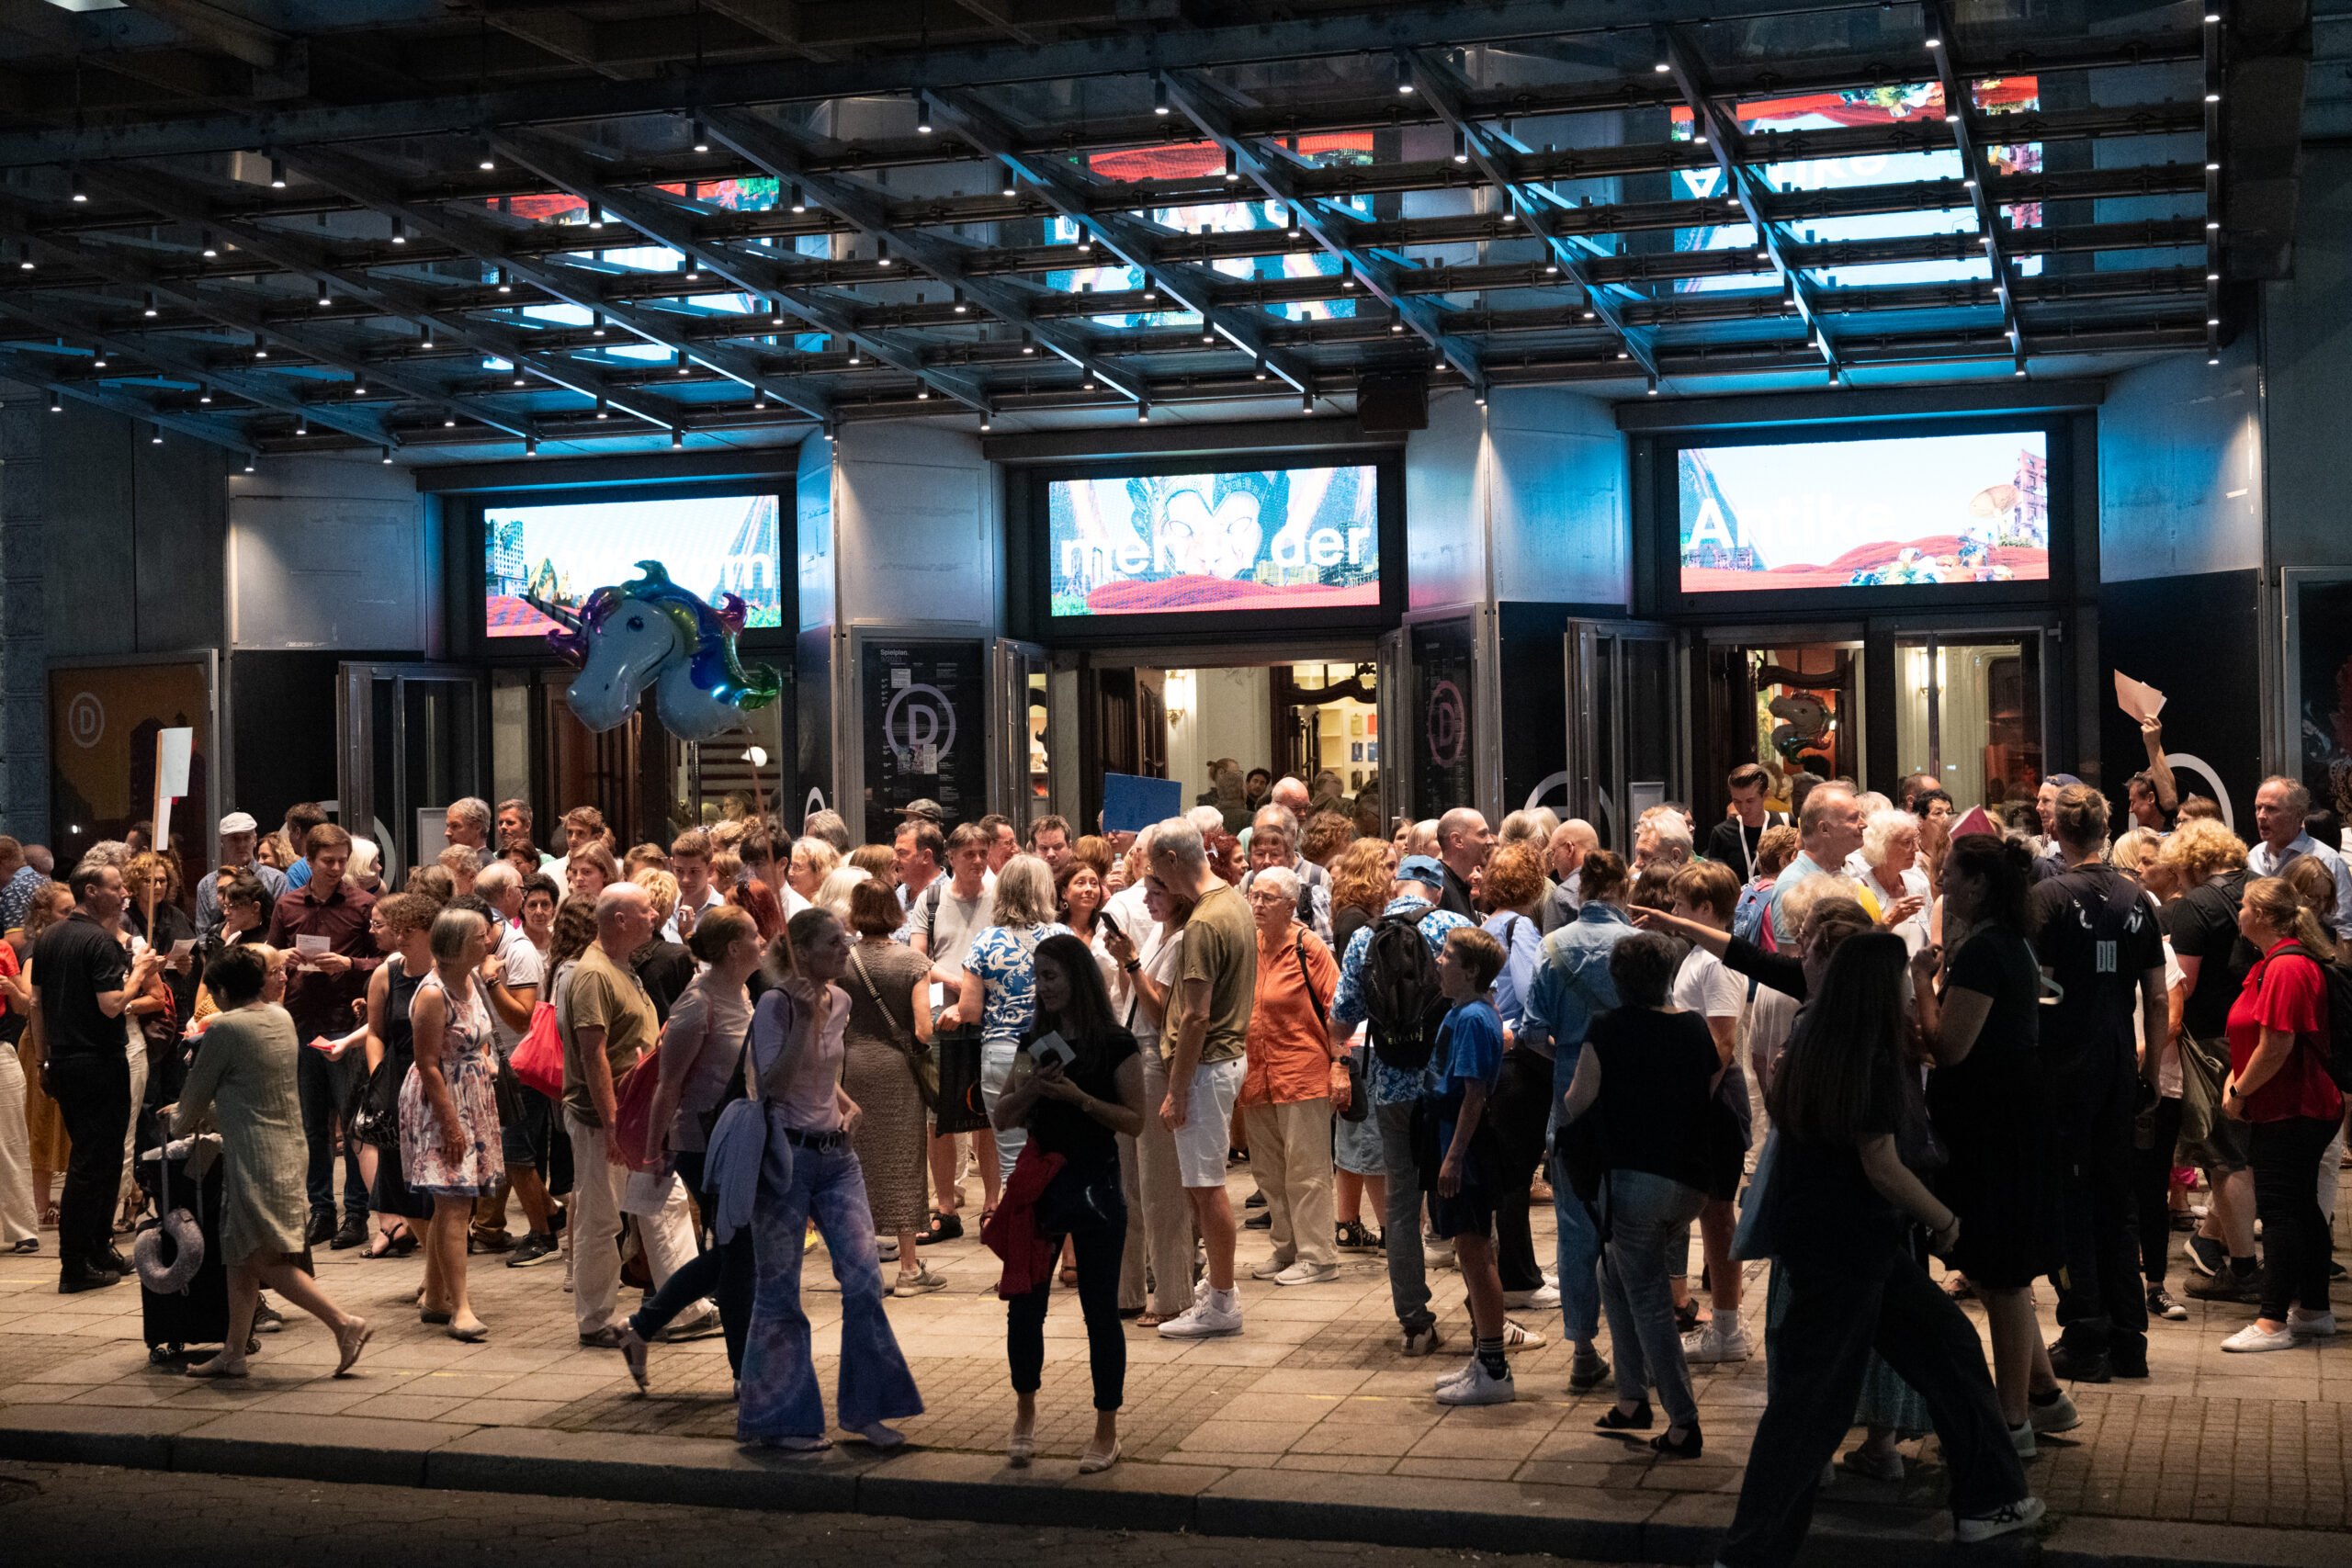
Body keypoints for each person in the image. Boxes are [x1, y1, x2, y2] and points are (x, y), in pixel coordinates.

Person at [1715, 933, 2043, 1567]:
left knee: (1944, 1349)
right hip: (1852, 1247)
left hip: (1845, 1246)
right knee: (1811, 1408)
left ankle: (1990, 1499)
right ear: (1879, 986)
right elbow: (1881, 1162)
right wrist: (1947, 1223)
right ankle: (1750, 1550)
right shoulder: (1868, 1056)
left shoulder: (1820, 1041)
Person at [737, 907, 923, 1451]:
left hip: (837, 1155)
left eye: (845, 941)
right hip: (785, 1159)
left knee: (865, 1279)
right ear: (802, 953)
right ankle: (780, 1419)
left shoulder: (839, 1000)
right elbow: (771, 1084)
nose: (846, 950)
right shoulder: (775, 1006)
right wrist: (801, 1021)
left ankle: (868, 1409)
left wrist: (846, 1102)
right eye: (834, 944)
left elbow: (824, 1071)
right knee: (778, 1290)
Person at [1912, 835, 2070, 1454]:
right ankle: (2044, 1394)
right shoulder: (2007, 944)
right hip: (2007, 1118)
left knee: (2001, 1277)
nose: (1941, 881)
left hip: (1994, 1126)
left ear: (1976, 884)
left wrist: (1922, 982)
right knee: (1998, 1268)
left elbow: (1950, 1046)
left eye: (1948, 872)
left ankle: (2010, 1424)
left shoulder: (1983, 954)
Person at [166, 944, 371, 1379]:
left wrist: (178, 1120)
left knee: (262, 1259)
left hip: (252, 1158)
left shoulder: (225, 1030)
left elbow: (193, 1101)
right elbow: (252, 1089)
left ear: (222, 989)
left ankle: (343, 1323)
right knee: (238, 1254)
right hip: (285, 1148)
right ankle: (233, 1353)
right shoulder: (280, 1017)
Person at [992, 932, 1147, 1473]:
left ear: (1076, 977)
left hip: (1098, 1186)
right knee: (1025, 1307)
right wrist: (1035, 1088)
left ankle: (1107, 1428)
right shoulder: (1037, 1039)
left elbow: (1135, 1119)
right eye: (1037, 976)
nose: (1042, 986)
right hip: (1042, 1188)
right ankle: (1025, 1414)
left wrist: (1079, 1098)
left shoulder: (1114, 1043)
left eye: (1050, 975)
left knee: (1100, 1312)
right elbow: (1003, 1116)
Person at [2029, 785, 2167, 1382]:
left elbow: (2036, 991)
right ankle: (2129, 1339)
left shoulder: (2047, 899)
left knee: (2069, 1199)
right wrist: (2150, 1069)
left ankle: (2084, 1333)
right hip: (2118, 1061)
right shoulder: (2140, 897)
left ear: (2058, 831)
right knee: (2121, 1197)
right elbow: (2157, 996)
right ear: (2106, 829)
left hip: (2062, 1065)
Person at [1560, 933, 1717, 1452]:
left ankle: (1683, 1421)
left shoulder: (1609, 1028)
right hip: (1691, 1181)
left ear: (1618, 980)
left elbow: (1577, 1099)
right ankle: (1632, 1399)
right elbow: (1712, 1079)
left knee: (1648, 1299)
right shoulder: (1693, 1026)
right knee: (1613, 1271)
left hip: (1635, 1184)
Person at [616, 904, 763, 1388]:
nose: (763, 941)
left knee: (734, 1254)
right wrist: (655, 1150)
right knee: (739, 1255)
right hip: (702, 1145)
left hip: (737, 1139)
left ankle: (641, 1326)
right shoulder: (696, 1003)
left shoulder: (738, 990)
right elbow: (668, 1083)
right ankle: (744, 1373)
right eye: (755, 935)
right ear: (733, 949)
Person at [1329, 853, 1471, 1355]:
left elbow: (1341, 1020)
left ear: (1396, 887)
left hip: (1391, 1087)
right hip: (1451, 1086)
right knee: (1466, 1199)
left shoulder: (1366, 935)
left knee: (1401, 1203)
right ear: (1434, 890)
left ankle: (1414, 1322)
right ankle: (1485, 1315)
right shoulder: (1455, 925)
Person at [1518, 849, 1638, 1389]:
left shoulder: (1552, 946)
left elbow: (1529, 1031)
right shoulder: (1639, 947)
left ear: (1580, 891)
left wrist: (1568, 1058)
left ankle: (1583, 1349)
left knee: (1575, 1226)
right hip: (1632, 1095)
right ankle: (1639, 1347)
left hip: (1570, 1097)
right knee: (1635, 1227)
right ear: (1623, 890)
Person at [561, 883, 697, 1348]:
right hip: (608, 1120)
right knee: (602, 1219)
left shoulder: (623, 968)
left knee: (666, 1203)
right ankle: (595, 1321)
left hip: (635, 1116)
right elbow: (592, 1055)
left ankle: (685, 1308)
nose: (655, 914)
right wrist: (616, 1125)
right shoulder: (594, 974)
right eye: (646, 910)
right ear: (620, 919)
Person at [2214, 877, 2345, 1350]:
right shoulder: (2270, 963)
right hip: (2291, 1106)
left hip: (2294, 1107)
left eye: (2245, 906)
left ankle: (2272, 1322)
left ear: (2263, 917)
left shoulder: (2287, 967)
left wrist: (2239, 1091)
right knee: (2303, 1211)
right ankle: (2313, 1309)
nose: (2239, 913)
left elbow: (2278, 1044)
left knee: (2281, 1213)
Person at [1147, 816, 1256, 1339]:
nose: (1154, 881)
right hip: (1222, 1061)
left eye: (1155, 869)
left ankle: (1222, 1302)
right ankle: (1217, 1290)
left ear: (1172, 861)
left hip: (1207, 1066)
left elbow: (1195, 1015)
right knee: (1200, 1185)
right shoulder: (1232, 901)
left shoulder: (1205, 923)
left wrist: (1175, 1090)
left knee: (1207, 1188)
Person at [33, 861, 164, 1292]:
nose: (125, 892)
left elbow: (37, 1006)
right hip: (98, 1061)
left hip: (65, 1061)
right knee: (93, 1162)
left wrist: (42, 1060)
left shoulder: (49, 937)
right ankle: (75, 1263)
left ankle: (97, 1247)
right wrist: (140, 973)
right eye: (116, 886)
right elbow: (112, 1005)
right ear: (91, 891)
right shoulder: (100, 942)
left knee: (102, 1158)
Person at [1645, 860, 1753, 1366]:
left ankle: (1727, 1329)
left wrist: (1691, 1103)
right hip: (1701, 1100)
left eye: (1681, 905)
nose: (1673, 912)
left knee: (1716, 1214)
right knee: (1711, 1212)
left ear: (1706, 909)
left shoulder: (1718, 963)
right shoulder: (1701, 954)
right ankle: (1722, 1324)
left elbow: (1723, 1042)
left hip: (1714, 1103)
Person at [2158, 818, 2264, 1302]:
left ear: (2192, 862)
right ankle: (2213, 1242)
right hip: (2261, 1033)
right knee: (2246, 1149)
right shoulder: (2261, 887)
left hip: (2213, 1044)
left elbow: (2186, 985)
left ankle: (2243, 1271)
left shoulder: (2194, 905)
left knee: (2224, 1158)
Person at [265, 824, 379, 1251]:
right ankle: (321, 1211)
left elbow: (386, 958)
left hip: (344, 1026)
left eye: (341, 860)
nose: (335, 868)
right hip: (299, 1023)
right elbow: (267, 956)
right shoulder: (287, 904)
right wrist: (283, 957)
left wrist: (349, 964)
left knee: (351, 1124)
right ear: (308, 862)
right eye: (326, 861)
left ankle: (357, 1214)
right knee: (311, 1126)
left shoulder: (363, 905)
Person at [1423, 925, 1519, 1405]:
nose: (1438, 961)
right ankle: (1484, 1357)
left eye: (1447, 955)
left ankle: (1495, 1368)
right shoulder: (1463, 1013)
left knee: (1477, 1256)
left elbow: (1475, 1094)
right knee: (1470, 1252)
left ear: (1472, 970)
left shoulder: (1476, 1019)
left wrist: (1454, 1158)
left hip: (1471, 1150)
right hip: (1454, 1142)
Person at [398, 908, 502, 1342]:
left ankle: (436, 1296)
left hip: (471, 1095)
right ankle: (460, 1308)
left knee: (453, 1203)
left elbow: (479, 1037)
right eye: (481, 935)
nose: (489, 939)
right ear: (458, 945)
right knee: (456, 1201)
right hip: (441, 1102)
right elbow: (427, 1064)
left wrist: (487, 1065)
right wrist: (452, 1125)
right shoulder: (434, 993)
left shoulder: (470, 979)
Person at [1102, 863, 1198, 1327]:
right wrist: (1129, 962)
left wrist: (1134, 963)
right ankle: (1127, 1290)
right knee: (1127, 1185)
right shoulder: (1161, 936)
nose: (1146, 901)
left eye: (1156, 892)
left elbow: (1162, 1014)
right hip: (1130, 1055)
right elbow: (1131, 1000)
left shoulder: (1182, 942)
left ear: (1178, 893)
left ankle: (1175, 1293)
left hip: (1155, 1061)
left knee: (1159, 1186)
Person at [838, 880, 942, 1298]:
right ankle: (910, 1270)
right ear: (894, 912)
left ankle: (862, 1270)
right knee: (903, 1163)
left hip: (851, 1068)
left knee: (856, 1165)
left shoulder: (840, 961)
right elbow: (922, 1029)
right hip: (897, 1072)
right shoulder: (911, 962)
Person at [1238, 864, 1341, 1287]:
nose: (1257, 904)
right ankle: (1286, 1248)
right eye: (1254, 897)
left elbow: (1340, 1010)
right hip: (1255, 1077)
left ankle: (1318, 1256)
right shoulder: (1250, 946)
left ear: (1290, 904)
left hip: (1302, 1073)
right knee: (1268, 1172)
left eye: (1267, 898)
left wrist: (1340, 1066)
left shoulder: (1309, 947)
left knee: (1307, 1170)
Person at [955, 855, 1071, 1199]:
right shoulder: (1064, 938)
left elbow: (970, 1010)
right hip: (1052, 1052)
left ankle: (1022, 1245)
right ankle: (1064, 1248)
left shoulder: (986, 942)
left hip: (1004, 1053)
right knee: (1056, 1152)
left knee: (1013, 1161)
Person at [1473, 841, 1554, 1309]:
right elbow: (1529, 992)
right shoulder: (1520, 927)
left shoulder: (1487, 925)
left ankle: (1522, 1273)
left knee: (1509, 1175)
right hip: (1519, 1063)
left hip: (1495, 1063)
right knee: (1515, 1177)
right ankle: (1521, 1279)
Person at [910, 822, 997, 1243]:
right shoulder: (930, 899)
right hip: (946, 1017)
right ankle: (945, 1208)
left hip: (991, 1017)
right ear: (951, 857)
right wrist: (960, 983)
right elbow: (917, 959)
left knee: (990, 1115)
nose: (979, 861)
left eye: (983, 852)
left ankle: (993, 1205)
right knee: (939, 1117)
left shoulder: (1000, 896)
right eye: (969, 854)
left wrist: (976, 990)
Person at [356, 893, 437, 1263]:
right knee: (402, 1184)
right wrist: (379, 1079)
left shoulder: (445, 972)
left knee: (437, 1186)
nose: (400, 938)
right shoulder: (385, 975)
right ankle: (433, 1267)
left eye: (409, 931)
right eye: (397, 930)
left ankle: (437, 1272)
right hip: (397, 1082)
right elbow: (375, 1033)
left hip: (437, 1079)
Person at [1325, 839, 1392, 1256]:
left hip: (1353, 1037)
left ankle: (1347, 1223)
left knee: (1353, 1135)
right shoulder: (1358, 924)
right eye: (1387, 865)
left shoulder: (1356, 915)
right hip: (1358, 1039)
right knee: (1369, 1138)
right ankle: (1390, 1230)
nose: (1393, 873)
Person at [2249, 775, 2352, 942]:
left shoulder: (2327, 860)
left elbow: (2345, 931)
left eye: (2271, 809)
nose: (2261, 816)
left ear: (2299, 815)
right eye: (2258, 807)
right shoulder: (2253, 857)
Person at [1767, 784, 1867, 948]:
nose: (1864, 824)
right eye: (1853, 818)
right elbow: (1793, 958)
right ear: (1824, 829)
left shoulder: (1840, 874)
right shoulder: (1793, 883)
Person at [1240, 805, 1333, 942]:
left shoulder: (1316, 879)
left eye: (1274, 853)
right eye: (1259, 853)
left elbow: (1326, 952)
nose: (1266, 861)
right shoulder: (1248, 880)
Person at [195, 813, 288, 939]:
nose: (241, 844)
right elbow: (202, 935)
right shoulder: (207, 884)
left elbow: (279, 927)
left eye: (246, 838)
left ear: (254, 839)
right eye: (234, 839)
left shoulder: (276, 879)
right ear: (222, 842)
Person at [1854, 809, 1931, 953]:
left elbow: (1932, 940)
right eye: (1907, 842)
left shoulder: (1919, 884)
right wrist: (1890, 921)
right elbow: (1857, 950)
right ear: (1882, 845)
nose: (1915, 848)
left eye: (1915, 840)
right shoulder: (1857, 891)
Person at [1707, 763, 1793, 884]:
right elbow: (1716, 883)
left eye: (1750, 801)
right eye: (1737, 801)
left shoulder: (1786, 823)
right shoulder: (1722, 833)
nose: (1743, 808)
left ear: (1765, 795)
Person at [1433, 807, 1494, 919]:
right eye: (1482, 834)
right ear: (1457, 841)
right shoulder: (1438, 888)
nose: (1490, 841)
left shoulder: (1462, 886)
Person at [1540, 819, 1600, 933]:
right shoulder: (1620, 886)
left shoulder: (1562, 896)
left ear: (1569, 848)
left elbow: (1551, 949)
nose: (1553, 862)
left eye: (1553, 852)